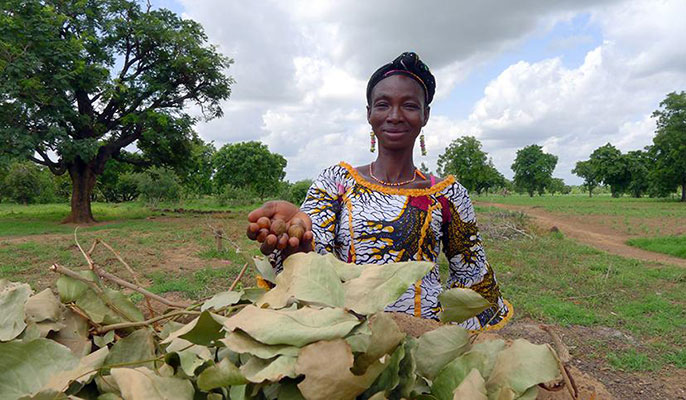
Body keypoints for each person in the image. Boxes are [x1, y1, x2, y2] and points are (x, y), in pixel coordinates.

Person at [246, 52, 512, 331]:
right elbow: (313, 249)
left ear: (426, 115)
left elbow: (471, 274)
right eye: (383, 105)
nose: (395, 116)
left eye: (409, 106)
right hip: (347, 334)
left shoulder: (447, 194)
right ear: (369, 113)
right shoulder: (337, 181)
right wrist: (295, 242)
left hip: (423, 338)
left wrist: (455, 341)